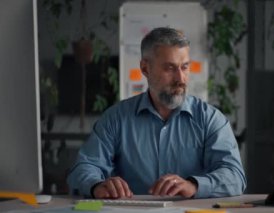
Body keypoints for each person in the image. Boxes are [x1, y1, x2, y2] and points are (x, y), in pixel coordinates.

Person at [67, 27, 246, 199]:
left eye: (184, 67)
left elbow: (235, 177)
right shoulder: (116, 119)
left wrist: (194, 185)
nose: (180, 79)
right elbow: (84, 168)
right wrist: (97, 185)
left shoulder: (210, 119)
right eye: (170, 68)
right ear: (145, 69)